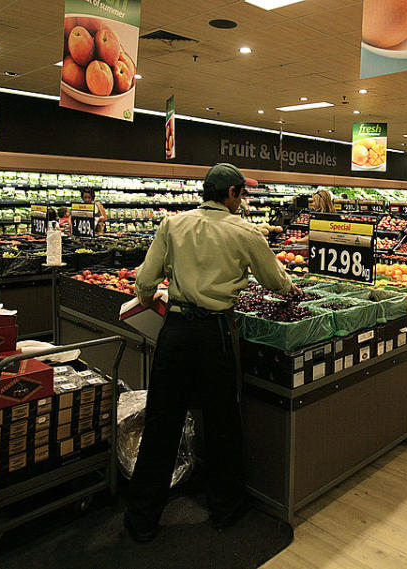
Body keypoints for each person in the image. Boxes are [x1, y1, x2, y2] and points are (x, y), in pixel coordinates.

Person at [126, 163, 299, 541]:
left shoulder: (172, 225)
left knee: (162, 420)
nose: (244, 201)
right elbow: (274, 280)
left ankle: (141, 518)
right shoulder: (245, 231)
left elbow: (144, 280)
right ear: (233, 193)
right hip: (215, 332)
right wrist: (291, 289)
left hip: (175, 331)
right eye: (243, 194)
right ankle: (224, 508)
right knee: (223, 421)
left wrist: (149, 298)